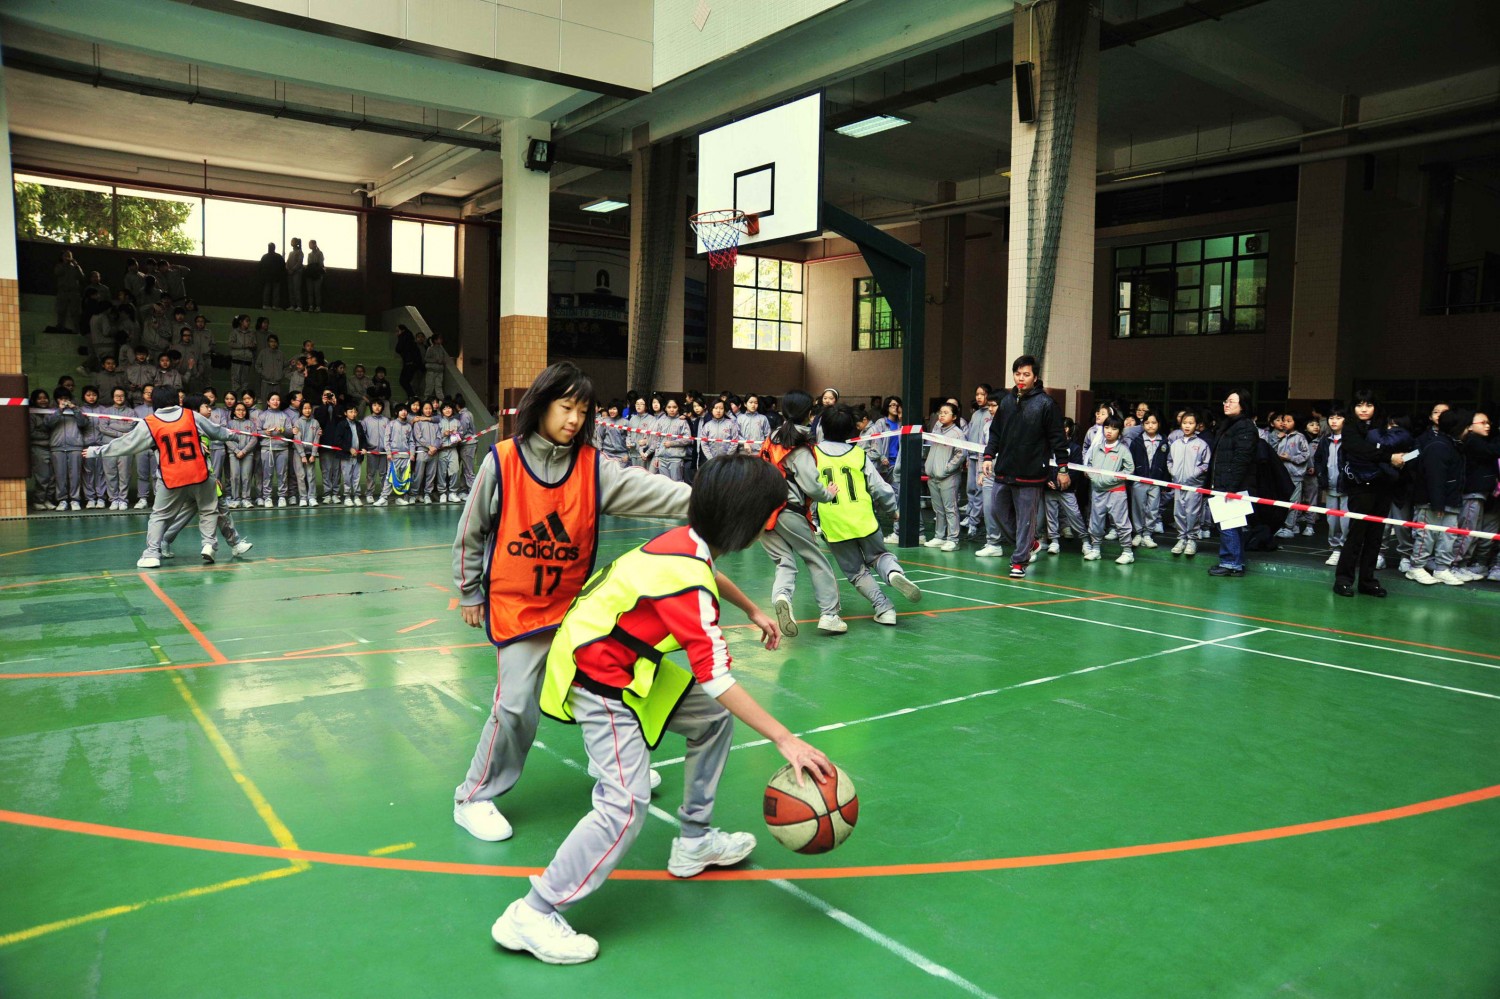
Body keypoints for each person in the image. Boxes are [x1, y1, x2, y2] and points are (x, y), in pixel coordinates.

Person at [492, 454, 833, 966]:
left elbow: (707, 575)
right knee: (624, 804)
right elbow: (716, 677)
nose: (771, 521)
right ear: (747, 521)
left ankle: (694, 841)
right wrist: (785, 738)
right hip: (598, 679)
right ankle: (533, 913)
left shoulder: (687, 543)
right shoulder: (686, 581)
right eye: (769, 512)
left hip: (627, 663)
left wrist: (752, 608)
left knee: (711, 721)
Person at [450, 362, 695, 843]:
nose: (575, 419)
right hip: (518, 608)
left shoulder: (593, 468)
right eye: (566, 407)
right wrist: (468, 590)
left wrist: (714, 498)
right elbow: (471, 530)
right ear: (541, 405)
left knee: (615, 685)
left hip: (574, 609)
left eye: (583, 410)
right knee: (515, 707)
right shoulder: (501, 461)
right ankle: (473, 797)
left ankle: (615, 766)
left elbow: (654, 491)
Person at [84, 384, 243, 567]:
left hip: (172, 477)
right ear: (176, 399)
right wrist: (233, 436)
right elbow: (216, 431)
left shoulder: (150, 422)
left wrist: (96, 451)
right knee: (208, 509)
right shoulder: (191, 415)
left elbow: (126, 443)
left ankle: (152, 554)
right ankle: (209, 545)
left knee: (159, 516)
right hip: (200, 473)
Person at [815, 405, 922, 625]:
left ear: (822, 427)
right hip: (863, 518)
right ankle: (893, 573)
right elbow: (879, 487)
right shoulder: (858, 454)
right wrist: (892, 509)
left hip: (834, 523)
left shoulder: (813, 455)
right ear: (851, 430)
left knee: (856, 572)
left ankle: (884, 608)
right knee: (880, 556)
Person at [758, 390, 843, 636]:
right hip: (787, 510)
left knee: (784, 562)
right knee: (816, 560)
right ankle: (830, 615)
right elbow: (812, 487)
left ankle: (782, 597)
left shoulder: (772, 437)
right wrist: (828, 494)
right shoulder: (799, 446)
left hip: (760, 511)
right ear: (808, 414)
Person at [981, 355, 1070, 580]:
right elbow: (996, 432)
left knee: (1026, 520)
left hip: (1031, 472)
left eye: (1026, 374)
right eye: (1018, 374)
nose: (1021, 378)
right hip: (1005, 469)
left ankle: (1019, 561)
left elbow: (1058, 438)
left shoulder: (1046, 404)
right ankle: (1030, 543)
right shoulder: (1007, 402)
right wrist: (988, 456)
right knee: (997, 511)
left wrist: (1062, 468)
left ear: (1035, 377)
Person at [1332, 390, 1409, 597]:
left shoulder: (1383, 426)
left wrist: (1397, 457)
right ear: (1353, 407)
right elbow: (1360, 450)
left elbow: (1399, 448)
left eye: (1368, 405)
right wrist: (1388, 456)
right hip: (1360, 487)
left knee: (1376, 536)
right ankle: (1343, 580)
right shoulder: (1349, 427)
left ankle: (1367, 581)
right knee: (1356, 534)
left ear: (1376, 407)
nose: (1364, 409)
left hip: (1383, 486)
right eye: (1359, 405)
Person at [1408, 408, 1468, 586]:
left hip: (1450, 499)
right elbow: (1434, 476)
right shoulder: (1435, 444)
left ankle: (1442, 568)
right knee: (1426, 535)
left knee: (1449, 536)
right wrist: (1437, 503)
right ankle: (1416, 567)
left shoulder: (1454, 444)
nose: (1469, 430)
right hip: (1432, 501)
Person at [1208, 389, 1257, 577]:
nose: (1226, 404)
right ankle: (1234, 562)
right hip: (1223, 482)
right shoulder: (1229, 425)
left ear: (1242, 405)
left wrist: (1230, 487)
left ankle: (1231, 563)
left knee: (1229, 524)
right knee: (1228, 524)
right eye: (1225, 401)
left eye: (1231, 401)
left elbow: (1241, 460)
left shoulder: (1244, 427)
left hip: (1231, 485)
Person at [1083, 416, 1135, 564]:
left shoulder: (1123, 450)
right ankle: (1096, 549)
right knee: (1095, 521)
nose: (1109, 431)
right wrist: (1094, 477)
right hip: (1098, 490)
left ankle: (1128, 552)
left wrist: (1112, 479)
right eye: (1106, 427)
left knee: (1121, 522)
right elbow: (1089, 465)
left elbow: (1129, 470)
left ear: (1120, 432)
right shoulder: (1096, 448)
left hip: (1116, 491)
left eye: (1114, 428)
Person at [1454, 411, 1499, 582]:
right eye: (1483, 422)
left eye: (1489, 423)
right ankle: (1454, 565)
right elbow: (1493, 451)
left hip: (1479, 494)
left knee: (1472, 532)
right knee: (1466, 531)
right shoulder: (1472, 441)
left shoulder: (1479, 441)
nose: (1487, 426)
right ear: (1470, 426)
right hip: (1472, 493)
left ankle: (1462, 565)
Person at [923, 401, 967, 551]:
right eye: (940, 412)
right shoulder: (937, 429)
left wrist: (947, 469)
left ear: (954, 417)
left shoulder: (957, 433)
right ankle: (939, 537)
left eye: (946, 413)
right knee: (938, 509)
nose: (941, 415)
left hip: (948, 477)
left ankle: (953, 539)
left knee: (950, 508)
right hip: (933, 476)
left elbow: (961, 454)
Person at [1167, 410, 1211, 557]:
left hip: (1194, 485)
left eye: (1191, 423)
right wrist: (1173, 472)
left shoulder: (1201, 444)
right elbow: (1169, 460)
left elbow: (1206, 463)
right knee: (1178, 512)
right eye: (1185, 423)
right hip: (1178, 484)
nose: (1187, 426)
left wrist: (1194, 474)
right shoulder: (1175, 444)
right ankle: (1181, 539)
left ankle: (1192, 540)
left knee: (1192, 513)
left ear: (1197, 425)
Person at [1313, 407, 1350, 567]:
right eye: (1331, 418)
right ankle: (1336, 549)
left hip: (1347, 488)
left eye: (1338, 418)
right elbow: (1318, 459)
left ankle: (1346, 549)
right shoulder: (1325, 440)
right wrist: (1321, 475)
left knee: (1346, 522)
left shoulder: (1350, 439)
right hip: (1329, 487)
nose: (1334, 421)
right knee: (1332, 521)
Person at [1127, 411, 1168, 547]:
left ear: (1159, 424)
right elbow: (1130, 462)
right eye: (1147, 423)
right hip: (1139, 480)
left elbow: (1166, 463)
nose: (1150, 425)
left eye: (1154, 423)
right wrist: (1132, 480)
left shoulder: (1164, 442)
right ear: (1143, 425)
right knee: (1138, 508)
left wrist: (1164, 482)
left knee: (1153, 508)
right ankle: (1138, 533)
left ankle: (1147, 534)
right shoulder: (1137, 442)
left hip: (1156, 481)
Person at [46, 389, 88, 511]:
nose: (64, 400)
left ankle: (75, 500)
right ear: (56, 400)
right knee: (60, 476)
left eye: (66, 398)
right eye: (61, 398)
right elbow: (48, 424)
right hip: (57, 447)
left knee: (75, 475)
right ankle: (62, 500)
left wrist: (74, 409)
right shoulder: (51, 411)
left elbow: (83, 423)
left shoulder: (77, 410)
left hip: (75, 446)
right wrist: (59, 410)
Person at [963, 383, 992, 538]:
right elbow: (969, 436)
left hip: (984, 459)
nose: (979, 397)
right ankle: (969, 516)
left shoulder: (991, 414)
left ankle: (974, 522)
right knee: (971, 489)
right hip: (972, 456)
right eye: (977, 394)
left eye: (982, 394)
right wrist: (968, 456)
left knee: (980, 490)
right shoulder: (975, 415)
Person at [99, 388, 135, 510]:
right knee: (110, 473)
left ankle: (123, 499)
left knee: (124, 474)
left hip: (125, 446)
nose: (119, 398)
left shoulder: (131, 412)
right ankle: (113, 499)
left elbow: (130, 428)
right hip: (109, 446)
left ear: (125, 397)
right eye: (116, 395)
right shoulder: (106, 411)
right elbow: (103, 428)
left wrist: (112, 425)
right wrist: (120, 433)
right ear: (112, 397)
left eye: (122, 395)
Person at [361, 400, 392, 504]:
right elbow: (362, 435)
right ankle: (369, 494)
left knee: (384, 474)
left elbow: (390, 436)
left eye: (379, 405)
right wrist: (367, 447)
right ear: (371, 407)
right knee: (371, 474)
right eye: (374, 405)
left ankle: (384, 495)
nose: (377, 407)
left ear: (382, 407)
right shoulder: (366, 420)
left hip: (384, 452)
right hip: (372, 452)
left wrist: (387, 449)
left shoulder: (386, 420)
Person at [655, 398, 692, 481]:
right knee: (664, 484)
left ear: (678, 408)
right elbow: (658, 440)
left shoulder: (682, 421)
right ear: (665, 408)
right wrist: (656, 457)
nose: (672, 409)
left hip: (676, 459)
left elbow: (688, 439)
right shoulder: (661, 421)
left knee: (676, 484)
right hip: (662, 458)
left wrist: (672, 443)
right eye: (669, 407)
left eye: (674, 407)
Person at [51, 250, 86, 334]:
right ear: (62, 257)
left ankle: (76, 328)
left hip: (74, 292)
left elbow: (82, 277)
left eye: (69, 256)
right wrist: (65, 264)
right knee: (61, 310)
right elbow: (57, 273)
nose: (67, 257)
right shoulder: (59, 266)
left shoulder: (75, 267)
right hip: (63, 292)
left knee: (75, 312)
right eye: (65, 256)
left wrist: (77, 266)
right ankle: (60, 327)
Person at [255, 334, 287, 400]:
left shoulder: (281, 354)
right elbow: (257, 365)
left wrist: (280, 375)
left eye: (275, 342)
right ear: (268, 343)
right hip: (266, 382)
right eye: (271, 341)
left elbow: (285, 366)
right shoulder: (263, 353)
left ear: (277, 343)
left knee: (276, 401)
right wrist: (264, 374)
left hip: (277, 383)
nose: (273, 343)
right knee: (265, 401)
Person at [258, 243, 285, 309]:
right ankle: (275, 305)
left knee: (267, 290)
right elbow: (283, 266)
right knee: (276, 291)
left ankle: (265, 304)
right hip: (276, 277)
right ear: (274, 248)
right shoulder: (278, 257)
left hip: (267, 277)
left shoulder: (264, 257)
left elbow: (260, 266)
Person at [423, 334, 447, 399]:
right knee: (429, 386)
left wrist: (442, 362)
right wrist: (436, 360)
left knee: (439, 386)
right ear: (435, 340)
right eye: (439, 339)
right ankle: (426, 400)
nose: (441, 340)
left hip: (439, 370)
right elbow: (426, 359)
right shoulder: (430, 348)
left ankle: (441, 400)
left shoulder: (441, 349)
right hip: (431, 370)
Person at [304, 239, 325, 312]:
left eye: (310, 244)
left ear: (314, 244)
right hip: (310, 274)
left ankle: (318, 306)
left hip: (317, 274)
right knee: (310, 291)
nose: (309, 246)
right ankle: (311, 306)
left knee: (317, 291)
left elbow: (321, 263)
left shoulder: (320, 253)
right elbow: (309, 264)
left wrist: (315, 267)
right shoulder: (309, 254)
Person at [285, 237, 305, 311]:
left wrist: (293, 269)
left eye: (293, 241)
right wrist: (288, 269)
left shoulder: (300, 252)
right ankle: (292, 305)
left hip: (297, 273)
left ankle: (299, 305)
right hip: (290, 273)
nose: (291, 243)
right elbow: (287, 262)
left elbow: (299, 262)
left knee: (296, 289)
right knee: (291, 289)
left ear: (296, 243)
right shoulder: (290, 253)